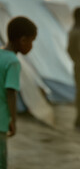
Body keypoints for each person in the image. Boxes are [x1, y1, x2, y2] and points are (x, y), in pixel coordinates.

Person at [0, 16, 37, 169]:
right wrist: (13, 120)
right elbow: (11, 93)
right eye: (31, 41)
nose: (31, 46)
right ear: (23, 40)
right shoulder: (13, 62)